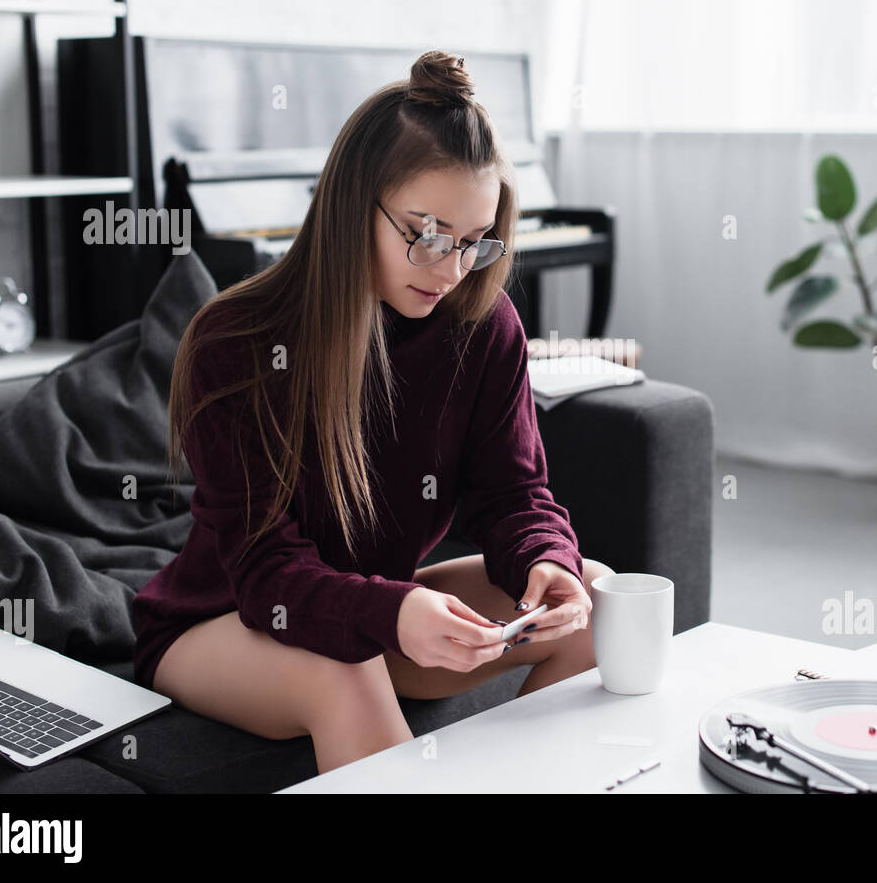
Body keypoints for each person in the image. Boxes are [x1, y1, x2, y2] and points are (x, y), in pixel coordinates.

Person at [131, 50, 612, 775]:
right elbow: (266, 571)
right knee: (343, 666)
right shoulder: (236, 341)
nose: (451, 270)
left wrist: (549, 560)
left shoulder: (485, 325)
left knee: (594, 602)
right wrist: (389, 614)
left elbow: (516, 494)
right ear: (355, 204)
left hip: (369, 603)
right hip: (225, 617)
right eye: (426, 233)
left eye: (474, 243)